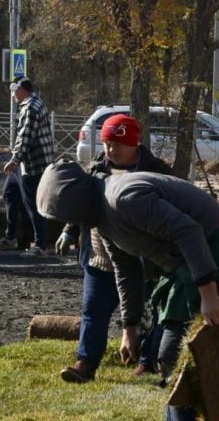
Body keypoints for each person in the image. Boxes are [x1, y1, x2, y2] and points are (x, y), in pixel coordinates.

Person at [38, 160, 219, 421]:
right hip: (185, 266)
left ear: (74, 202)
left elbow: (189, 231)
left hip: (215, 253)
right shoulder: (101, 218)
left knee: (177, 354)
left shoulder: (123, 199)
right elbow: (126, 270)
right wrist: (130, 328)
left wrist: (209, 294)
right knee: (171, 358)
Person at [56, 113, 174, 384]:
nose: (112, 149)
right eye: (108, 143)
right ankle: (85, 363)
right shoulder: (97, 168)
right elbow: (84, 204)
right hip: (99, 258)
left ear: (135, 142)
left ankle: (146, 361)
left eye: (119, 143)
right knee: (93, 312)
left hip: (143, 260)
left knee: (145, 313)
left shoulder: (156, 171)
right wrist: (69, 230)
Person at [0, 79, 55, 256]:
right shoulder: (35, 103)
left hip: (32, 164)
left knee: (33, 205)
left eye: (13, 89)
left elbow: (25, 137)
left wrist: (14, 159)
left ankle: (40, 245)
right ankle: (11, 237)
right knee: (10, 192)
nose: (12, 94)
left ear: (21, 89)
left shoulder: (30, 107)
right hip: (27, 163)